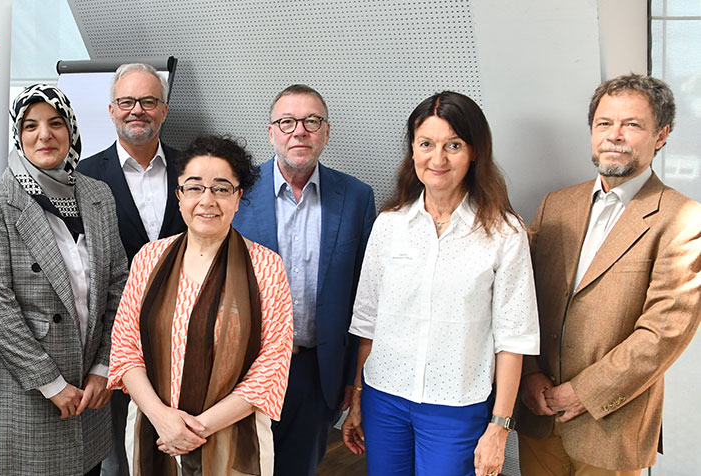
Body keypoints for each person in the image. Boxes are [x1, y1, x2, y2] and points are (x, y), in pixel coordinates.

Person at [341, 91, 540, 476]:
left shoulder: (504, 232)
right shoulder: (390, 225)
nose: (438, 159)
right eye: (426, 144)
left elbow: (514, 339)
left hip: (456, 406)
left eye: (454, 145)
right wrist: (359, 400)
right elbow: (368, 324)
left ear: (476, 152)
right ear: (412, 151)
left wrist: (499, 428)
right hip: (385, 399)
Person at [514, 74, 701, 475]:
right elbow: (520, 298)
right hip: (538, 412)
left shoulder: (683, 219)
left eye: (631, 125)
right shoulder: (555, 204)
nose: (614, 135)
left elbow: (662, 335)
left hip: (611, 426)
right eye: (604, 123)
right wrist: (529, 374)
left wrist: (581, 393)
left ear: (661, 135)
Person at [108, 135, 294, 475]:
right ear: (179, 196)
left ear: (239, 197)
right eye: (195, 188)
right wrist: (163, 419)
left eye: (221, 188)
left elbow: (271, 367)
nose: (207, 200)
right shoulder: (149, 258)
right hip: (155, 431)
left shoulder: (266, 266)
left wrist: (196, 430)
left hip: (233, 437)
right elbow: (124, 348)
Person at [0, 84, 127, 476]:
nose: (45, 135)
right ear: (18, 135)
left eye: (56, 123)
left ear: (70, 130)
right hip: (25, 392)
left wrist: (103, 368)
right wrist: (50, 382)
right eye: (31, 125)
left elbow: (118, 287)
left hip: (88, 389)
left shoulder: (97, 194)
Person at [232, 84, 377, 474]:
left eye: (311, 121)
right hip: (246, 368)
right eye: (287, 121)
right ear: (271, 132)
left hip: (317, 373)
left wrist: (353, 379)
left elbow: (364, 297)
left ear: (326, 132)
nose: (299, 131)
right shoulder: (235, 192)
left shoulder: (357, 197)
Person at [77, 62, 187, 476]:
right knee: (119, 460)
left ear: (163, 110)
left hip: (183, 342)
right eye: (126, 101)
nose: (136, 110)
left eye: (148, 101)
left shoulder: (192, 168)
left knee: (182, 453)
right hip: (114, 348)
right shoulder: (83, 176)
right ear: (111, 110)